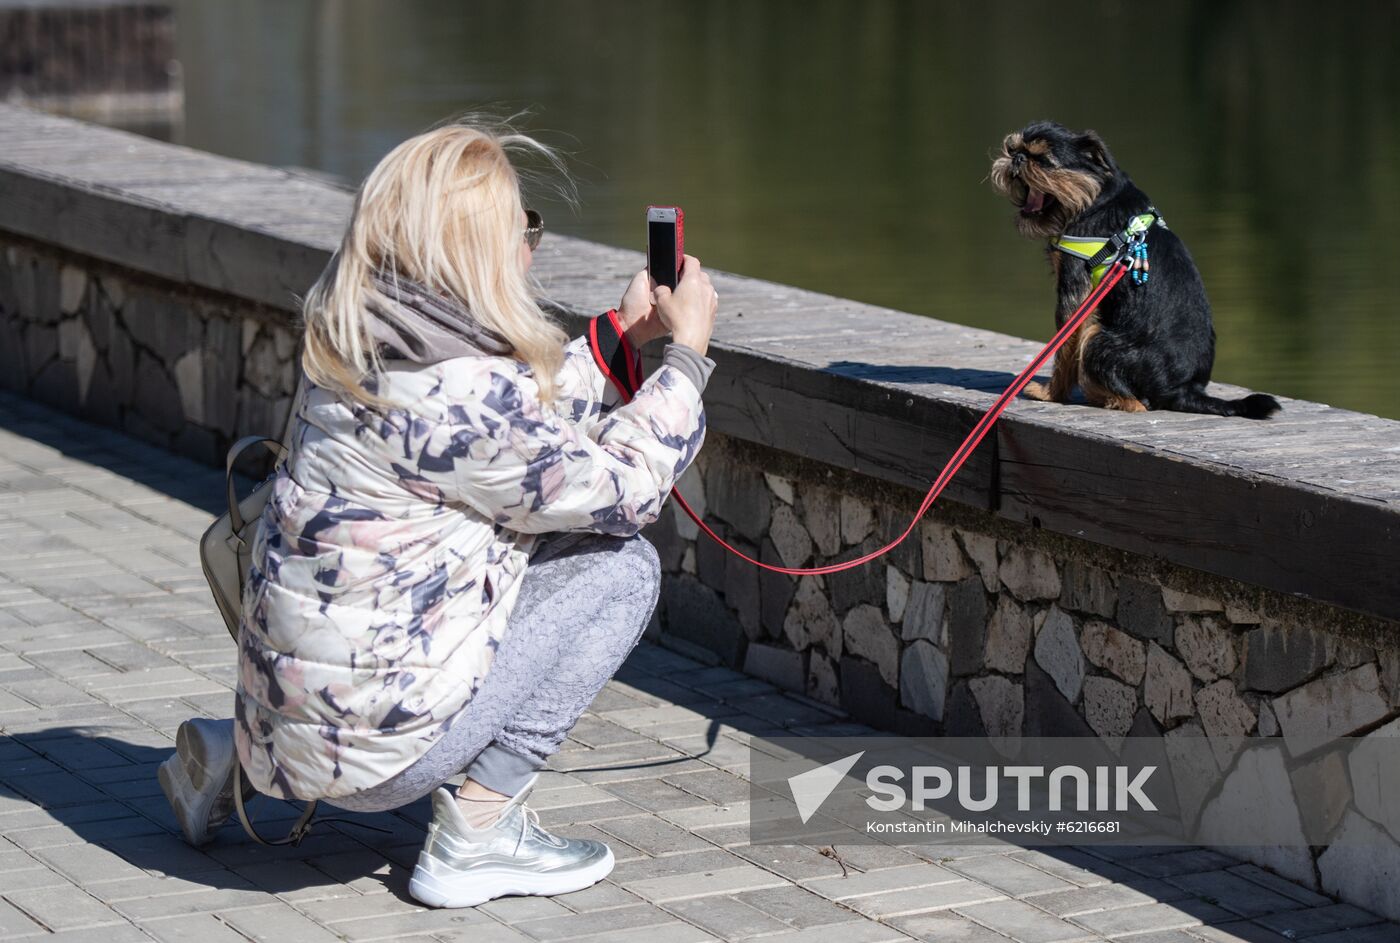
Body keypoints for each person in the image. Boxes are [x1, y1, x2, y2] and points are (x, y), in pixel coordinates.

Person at [156, 121, 719, 908]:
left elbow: (515, 426)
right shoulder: (462, 392)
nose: (530, 252)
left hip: (275, 726)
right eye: (521, 231)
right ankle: (480, 832)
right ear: (472, 251)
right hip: (380, 763)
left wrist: (618, 336)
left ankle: (239, 764)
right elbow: (623, 491)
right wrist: (686, 358)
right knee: (623, 570)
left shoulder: (353, 344)